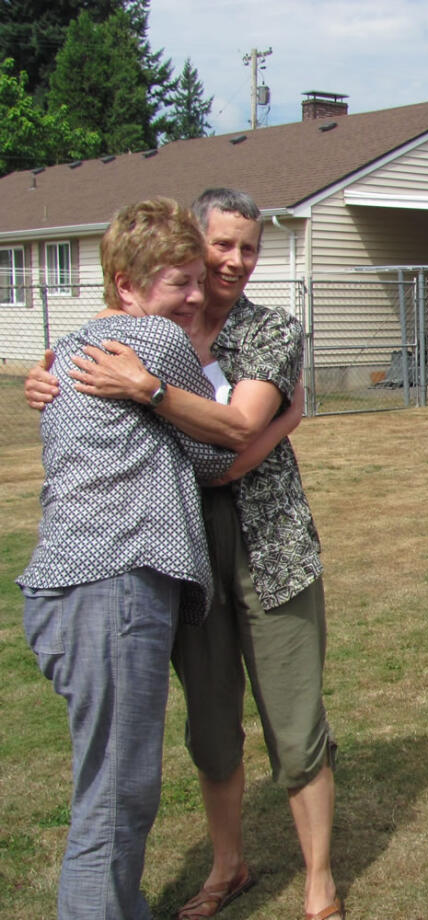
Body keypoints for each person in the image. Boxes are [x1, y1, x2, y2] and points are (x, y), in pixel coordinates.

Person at [26, 188, 341, 920]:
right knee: (208, 725)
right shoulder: (152, 326)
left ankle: (319, 880)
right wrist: (47, 384)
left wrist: (152, 391)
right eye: (219, 247)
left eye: (249, 248)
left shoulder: (266, 331)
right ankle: (227, 869)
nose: (231, 263)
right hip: (180, 557)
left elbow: (231, 444)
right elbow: (204, 438)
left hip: (270, 547)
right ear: (190, 247)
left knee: (294, 719)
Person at [18, 199, 236, 919]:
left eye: (199, 280)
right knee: (116, 795)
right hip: (114, 586)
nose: (197, 296)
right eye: (181, 282)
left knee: (111, 783)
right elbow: (216, 447)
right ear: (127, 284)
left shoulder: (73, 345)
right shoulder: (155, 341)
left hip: (64, 590)